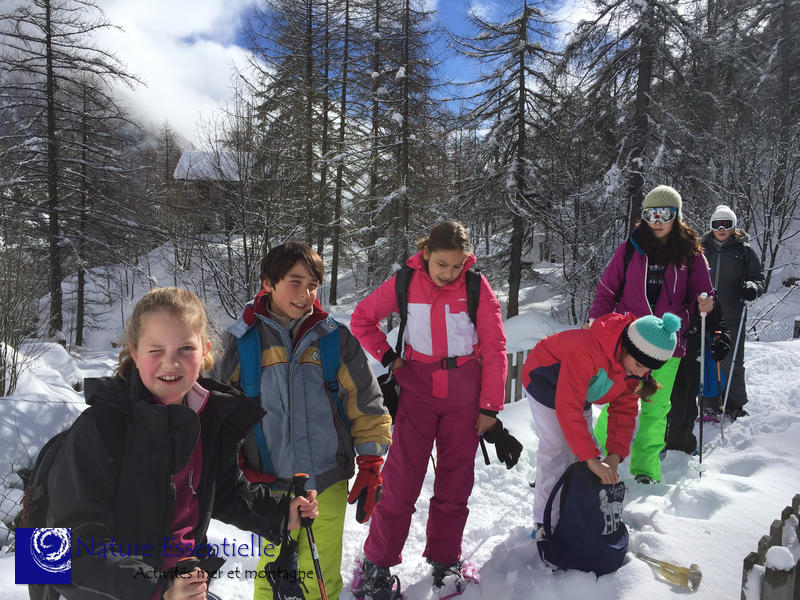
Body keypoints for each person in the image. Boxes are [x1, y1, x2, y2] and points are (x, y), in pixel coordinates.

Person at [46, 287, 318, 600]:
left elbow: (224, 490)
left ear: (205, 351)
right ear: (134, 353)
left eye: (185, 349)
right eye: (156, 350)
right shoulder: (99, 427)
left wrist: (280, 512)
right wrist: (158, 589)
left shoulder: (209, 418)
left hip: (182, 585)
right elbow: (61, 555)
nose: (171, 363)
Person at [212, 242, 392, 600]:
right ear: (268, 283)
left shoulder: (334, 339)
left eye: (312, 285)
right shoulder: (240, 342)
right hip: (268, 486)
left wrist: (371, 462)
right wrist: (223, 468)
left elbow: (365, 401)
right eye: (295, 282)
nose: (305, 293)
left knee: (320, 574)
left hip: (326, 479)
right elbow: (216, 413)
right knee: (271, 572)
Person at [350, 220, 515, 598]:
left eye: (457, 265)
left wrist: (490, 407)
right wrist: (389, 357)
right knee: (400, 483)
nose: (449, 273)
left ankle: (446, 560)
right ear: (425, 253)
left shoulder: (476, 287)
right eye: (442, 264)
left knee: (455, 485)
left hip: (463, 397)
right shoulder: (406, 282)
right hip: (417, 392)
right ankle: (376, 563)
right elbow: (362, 319)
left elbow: (495, 348)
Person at [587, 185, 714, 484]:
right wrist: (596, 323)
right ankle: (596, 458)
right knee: (618, 400)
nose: (657, 221)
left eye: (665, 214)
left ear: (676, 216)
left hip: (668, 345)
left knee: (656, 408)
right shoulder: (630, 249)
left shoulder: (691, 255)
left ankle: (645, 469)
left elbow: (703, 293)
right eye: (651, 214)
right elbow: (607, 290)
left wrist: (706, 303)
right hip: (630, 342)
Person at [523, 312, 680, 537]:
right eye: (638, 364)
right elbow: (569, 408)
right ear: (627, 347)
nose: (641, 373)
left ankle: (575, 510)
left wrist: (614, 455)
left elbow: (623, 413)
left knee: (584, 453)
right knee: (557, 448)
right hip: (545, 381)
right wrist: (591, 459)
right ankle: (544, 522)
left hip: (580, 390)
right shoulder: (587, 350)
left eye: (648, 370)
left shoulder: (633, 370)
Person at [701, 205, 766, 420]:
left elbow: (758, 278)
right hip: (706, 314)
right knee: (707, 359)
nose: (721, 229)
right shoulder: (701, 250)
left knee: (732, 360)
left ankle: (734, 403)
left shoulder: (744, 251)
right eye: (716, 224)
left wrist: (752, 287)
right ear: (711, 227)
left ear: (734, 227)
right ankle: (709, 404)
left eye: (726, 224)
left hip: (732, 314)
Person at [664, 299, 731, 453]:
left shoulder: (703, 290)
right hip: (661, 344)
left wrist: (722, 337)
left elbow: (716, 319)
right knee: (661, 397)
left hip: (692, 345)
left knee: (685, 398)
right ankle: (659, 440)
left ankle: (680, 444)